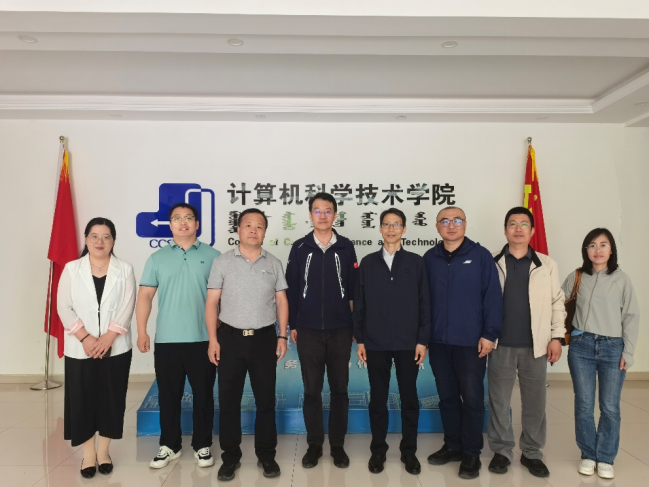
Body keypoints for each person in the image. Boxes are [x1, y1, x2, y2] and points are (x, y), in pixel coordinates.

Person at [205, 208, 289, 481]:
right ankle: (230, 457)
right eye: (248, 225)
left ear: (265, 232)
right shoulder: (222, 262)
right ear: (238, 230)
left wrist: (282, 335)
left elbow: (281, 301)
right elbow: (212, 303)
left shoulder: (273, 262)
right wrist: (213, 340)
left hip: (264, 339)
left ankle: (266, 455)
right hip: (229, 339)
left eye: (259, 226)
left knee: (265, 400)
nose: (254, 230)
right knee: (229, 401)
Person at [136, 203, 221, 469]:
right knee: (168, 395)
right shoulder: (157, 259)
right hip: (167, 340)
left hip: (203, 339)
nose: (183, 222)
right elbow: (145, 296)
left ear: (197, 224)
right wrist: (142, 330)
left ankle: (202, 445)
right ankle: (169, 445)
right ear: (170, 224)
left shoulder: (215, 256)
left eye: (188, 218)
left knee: (203, 395)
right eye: (177, 218)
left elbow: (224, 298)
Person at [423, 206, 503, 479]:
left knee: (471, 398)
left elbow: (493, 297)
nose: (451, 225)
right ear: (437, 227)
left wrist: (490, 334)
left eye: (457, 220)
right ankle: (453, 445)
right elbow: (422, 301)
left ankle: (471, 452)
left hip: (471, 342)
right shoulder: (429, 258)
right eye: (445, 221)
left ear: (465, 224)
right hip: (438, 341)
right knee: (447, 397)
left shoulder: (481, 256)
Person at [488, 207, 566, 478]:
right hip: (500, 344)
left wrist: (557, 337)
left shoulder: (547, 265)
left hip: (537, 345)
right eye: (512, 224)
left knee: (535, 402)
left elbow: (557, 302)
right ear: (505, 230)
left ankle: (532, 452)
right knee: (498, 401)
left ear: (532, 231)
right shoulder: (492, 262)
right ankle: (501, 451)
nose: (518, 229)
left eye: (524, 224)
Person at [353, 208, 430, 475]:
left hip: (409, 343)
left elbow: (425, 303)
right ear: (380, 228)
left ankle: (409, 452)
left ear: (404, 229)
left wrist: (422, 340)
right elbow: (359, 304)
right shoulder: (368, 262)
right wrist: (360, 340)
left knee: (409, 398)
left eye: (396, 224)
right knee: (378, 399)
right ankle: (378, 451)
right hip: (375, 343)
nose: (391, 229)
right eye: (386, 224)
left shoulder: (416, 262)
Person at [58, 217, 136, 479]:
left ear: (113, 240)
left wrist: (108, 338)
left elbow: (127, 306)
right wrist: (86, 339)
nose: (100, 242)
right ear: (86, 239)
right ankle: (88, 454)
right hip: (81, 348)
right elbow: (63, 306)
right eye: (94, 236)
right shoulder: (72, 269)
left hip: (116, 347)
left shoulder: (125, 269)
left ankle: (104, 452)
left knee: (111, 399)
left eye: (106, 237)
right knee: (82, 400)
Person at [285, 192, 358, 469]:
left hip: (341, 329)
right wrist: (294, 324)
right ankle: (314, 444)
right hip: (308, 330)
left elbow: (353, 289)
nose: (323, 215)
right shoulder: (300, 247)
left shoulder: (346, 246)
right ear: (310, 215)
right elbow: (291, 288)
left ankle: (337, 445)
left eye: (328, 210)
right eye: (318, 210)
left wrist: (354, 324)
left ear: (335, 215)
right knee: (312, 390)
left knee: (340, 390)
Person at [562, 228, 639, 480]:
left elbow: (631, 316)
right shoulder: (576, 277)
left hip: (612, 348)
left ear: (611, 249)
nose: (598, 250)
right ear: (586, 250)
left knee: (610, 406)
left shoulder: (621, 279)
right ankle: (588, 454)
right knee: (584, 405)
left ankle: (605, 457)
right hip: (581, 346)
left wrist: (628, 351)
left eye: (603, 245)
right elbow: (558, 306)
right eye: (592, 245)